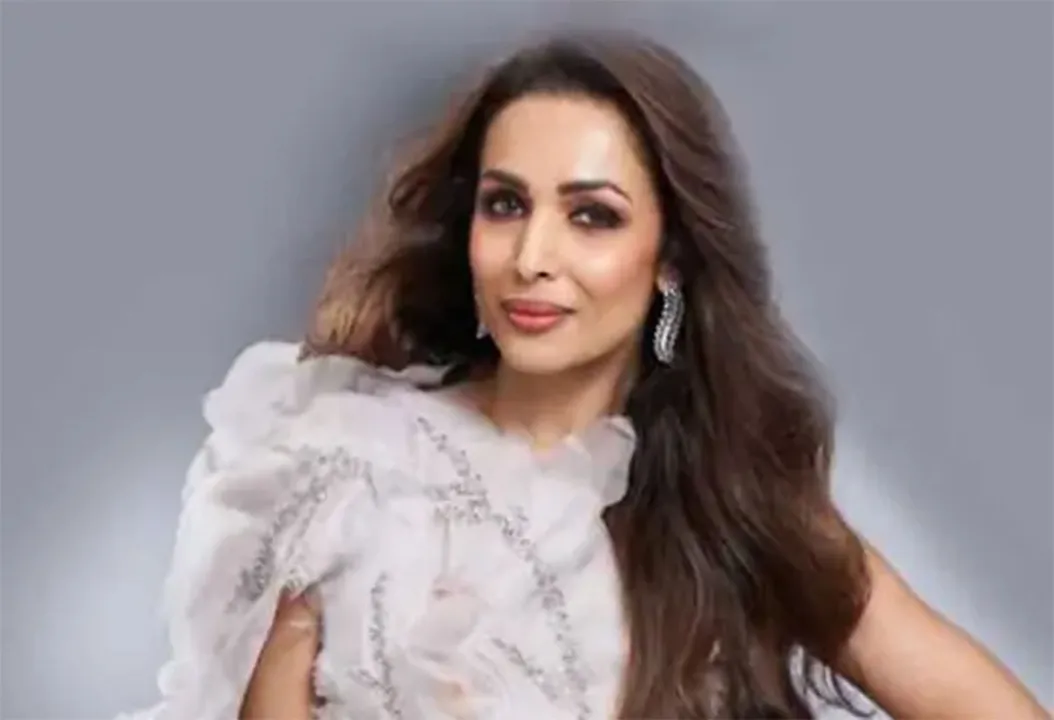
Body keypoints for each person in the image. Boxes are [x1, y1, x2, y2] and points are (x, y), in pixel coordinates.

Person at [121, 32, 1048, 720]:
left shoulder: (729, 504)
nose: (532, 256)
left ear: (670, 258)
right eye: (505, 205)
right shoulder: (339, 466)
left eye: (592, 216)